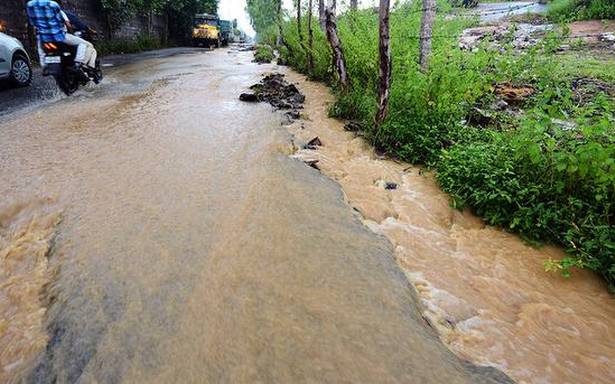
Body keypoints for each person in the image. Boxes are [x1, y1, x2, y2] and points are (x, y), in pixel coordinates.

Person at [25, 0, 97, 70]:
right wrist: (71, 33)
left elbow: (33, 25)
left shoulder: (30, 5)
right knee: (87, 45)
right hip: (59, 36)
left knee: (41, 51)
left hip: (43, 38)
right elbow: (68, 24)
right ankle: (79, 62)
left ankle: (44, 66)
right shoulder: (53, 5)